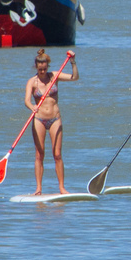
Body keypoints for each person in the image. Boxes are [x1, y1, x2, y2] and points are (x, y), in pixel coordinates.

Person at [24, 48, 77, 195]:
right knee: (39, 155)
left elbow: (74, 77)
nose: (42, 72)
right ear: (36, 67)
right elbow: (26, 100)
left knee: (57, 154)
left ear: (48, 66)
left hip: (55, 119)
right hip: (39, 119)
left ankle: (61, 187)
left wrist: (72, 62)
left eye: (44, 68)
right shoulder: (32, 82)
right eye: (40, 69)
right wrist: (32, 107)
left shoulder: (54, 76)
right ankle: (39, 188)